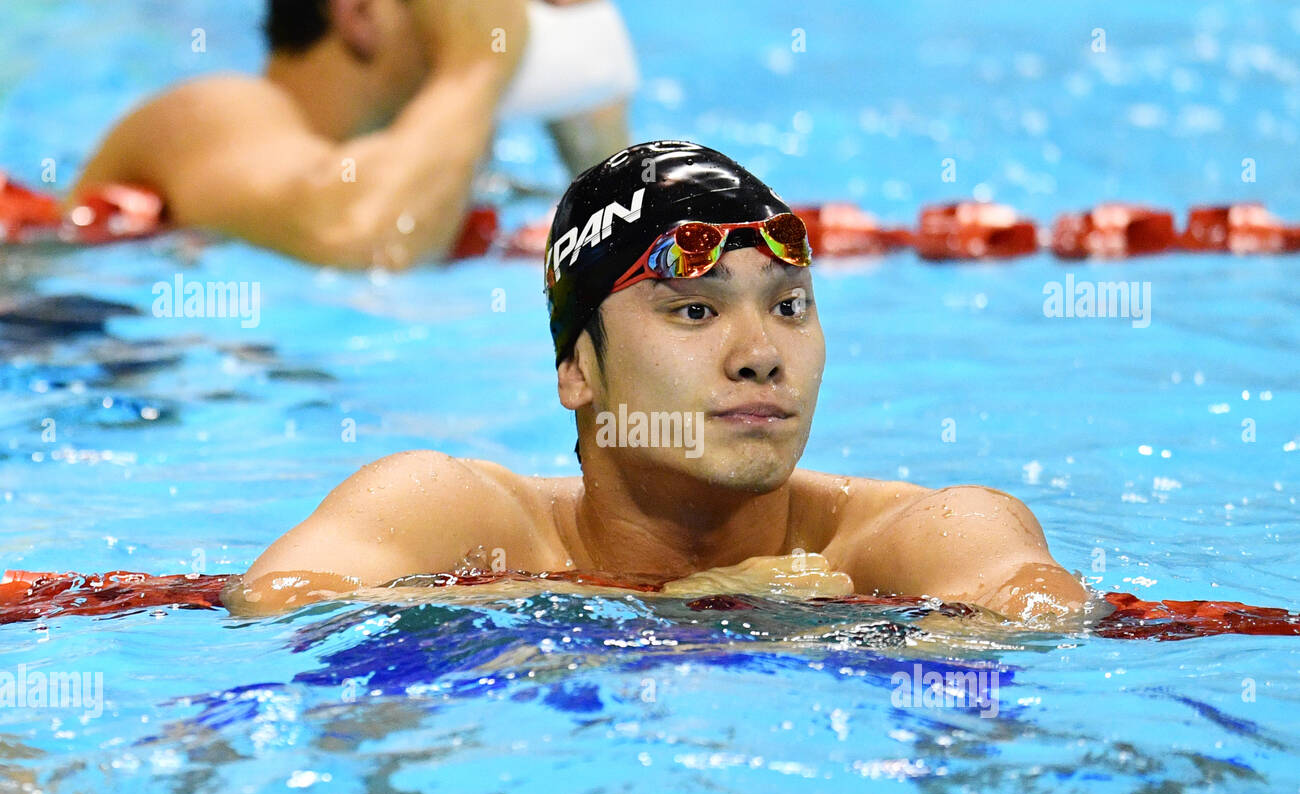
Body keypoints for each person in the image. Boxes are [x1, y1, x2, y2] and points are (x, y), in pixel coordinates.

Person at [224, 140, 1090, 621]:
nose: (761, 354)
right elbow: (278, 608)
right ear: (577, 368)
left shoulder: (915, 538)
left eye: (790, 307)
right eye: (694, 312)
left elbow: (1045, 620)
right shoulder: (450, 517)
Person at [70, 0, 634, 269]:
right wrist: (475, 65)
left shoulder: (466, 172)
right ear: (359, 13)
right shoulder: (211, 110)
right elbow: (369, 240)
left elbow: (643, 260)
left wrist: (587, 120)